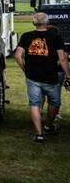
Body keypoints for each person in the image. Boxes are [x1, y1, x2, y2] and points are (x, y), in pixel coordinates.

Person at [15, 12, 70, 142]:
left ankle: (38, 134)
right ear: (47, 23)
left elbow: (18, 55)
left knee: (34, 104)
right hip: (51, 76)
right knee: (54, 102)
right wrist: (68, 75)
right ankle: (48, 126)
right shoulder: (55, 37)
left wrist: (25, 69)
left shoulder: (26, 36)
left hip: (32, 77)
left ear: (34, 23)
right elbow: (62, 58)